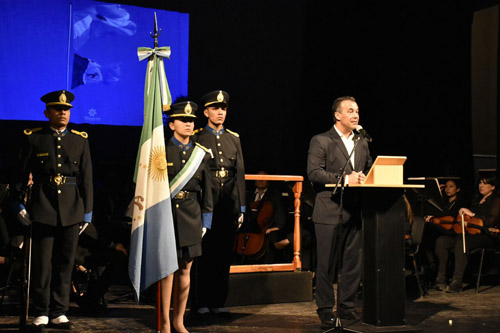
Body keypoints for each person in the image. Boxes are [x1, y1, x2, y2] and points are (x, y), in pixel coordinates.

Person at [10, 90, 93, 330]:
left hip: (72, 207)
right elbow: (20, 175)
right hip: (43, 205)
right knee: (42, 263)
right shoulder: (34, 138)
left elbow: (87, 177)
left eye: (66, 110)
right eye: (58, 109)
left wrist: (87, 211)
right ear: (47, 113)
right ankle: (42, 310)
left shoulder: (80, 139)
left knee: (65, 262)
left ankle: (59, 310)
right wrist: (18, 204)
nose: (63, 113)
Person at [307, 96, 372, 328]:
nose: (356, 115)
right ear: (337, 115)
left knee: (352, 263)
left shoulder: (362, 141)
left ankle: (347, 308)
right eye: (350, 111)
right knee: (326, 264)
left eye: (357, 111)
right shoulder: (321, 140)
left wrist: (367, 177)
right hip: (329, 210)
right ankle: (325, 309)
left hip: (354, 210)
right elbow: (314, 172)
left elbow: (368, 168)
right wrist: (344, 179)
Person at [191, 90, 245, 315]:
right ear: (206, 112)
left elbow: (239, 172)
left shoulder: (234, 138)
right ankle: (200, 301)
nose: (220, 112)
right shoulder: (197, 137)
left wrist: (241, 207)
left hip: (228, 203)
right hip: (207, 202)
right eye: (215, 108)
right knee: (204, 256)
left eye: (223, 108)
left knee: (223, 256)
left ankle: (218, 301)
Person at [161, 101, 213, 332]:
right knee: (166, 271)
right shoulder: (161, 151)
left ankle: (179, 320)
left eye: (191, 121)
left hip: (191, 216)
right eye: (183, 120)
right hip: (167, 215)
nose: (189, 124)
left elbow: (207, 191)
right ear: (172, 124)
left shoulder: (200, 154)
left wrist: (206, 219)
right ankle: (164, 321)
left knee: (185, 269)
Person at [435, 175, 500, 292]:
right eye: (480, 183)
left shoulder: (496, 200)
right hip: (470, 233)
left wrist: (472, 214)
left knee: (461, 242)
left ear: (493, 187)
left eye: (485, 183)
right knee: (442, 241)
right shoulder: (476, 200)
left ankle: (457, 281)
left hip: (487, 236)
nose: (481, 186)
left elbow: (490, 221)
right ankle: (441, 279)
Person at [422, 179, 468, 289]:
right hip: (443, 232)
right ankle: (439, 278)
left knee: (429, 229)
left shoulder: (462, 202)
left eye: (451, 186)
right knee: (431, 236)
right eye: (446, 186)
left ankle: (433, 268)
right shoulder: (443, 202)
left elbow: (450, 218)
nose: (447, 189)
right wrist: (439, 193)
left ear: (458, 189)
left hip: (454, 231)